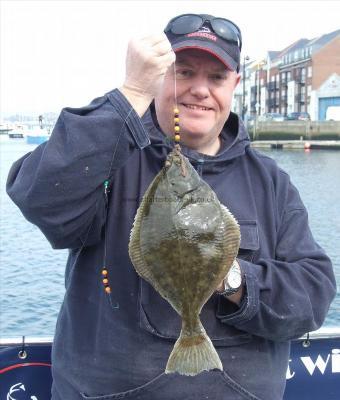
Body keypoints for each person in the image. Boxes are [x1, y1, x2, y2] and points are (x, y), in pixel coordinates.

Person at [6, 13, 336, 400]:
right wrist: (129, 93)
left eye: (215, 78)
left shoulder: (271, 182)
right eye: (183, 73)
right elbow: (39, 195)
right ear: (159, 76)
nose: (199, 89)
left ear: (234, 85)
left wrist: (227, 278)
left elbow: (312, 298)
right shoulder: (110, 157)